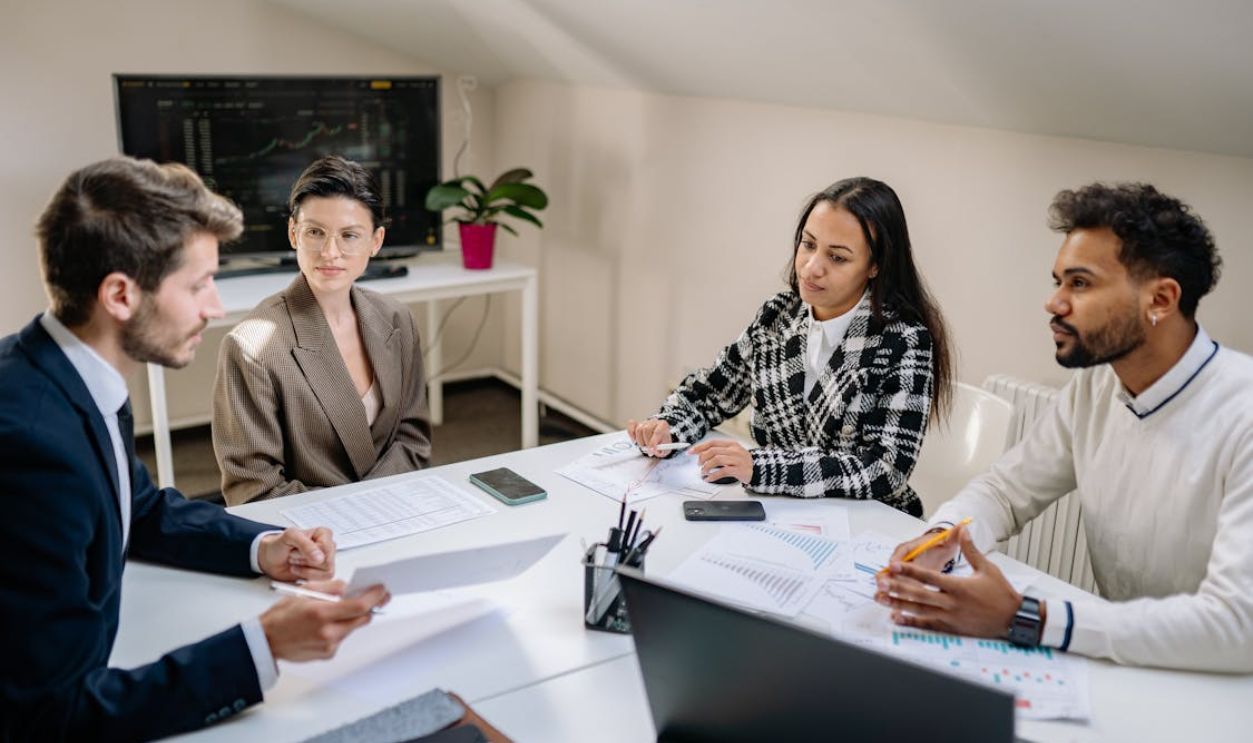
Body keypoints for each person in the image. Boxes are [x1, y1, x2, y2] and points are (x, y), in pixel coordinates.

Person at [0, 157, 391, 741]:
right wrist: (264, 644)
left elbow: (141, 510)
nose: (215, 308)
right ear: (120, 295)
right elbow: (53, 716)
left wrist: (264, 546)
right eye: (199, 284)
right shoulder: (32, 447)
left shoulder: (66, 373)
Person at [876, 182, 1253, 672]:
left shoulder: (1241, 414)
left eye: (1079, 284)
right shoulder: (1097, 386)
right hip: (1129, 664)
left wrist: (1026, 617)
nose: (1053, 303)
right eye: (1058, 281)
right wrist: (942, 538)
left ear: (1160, 299)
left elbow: (1236, 625)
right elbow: (1005, 490)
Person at [628, 177, 952, 516]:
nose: (812, 268)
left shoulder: (905, 341)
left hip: (870, 523)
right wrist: (667, 427)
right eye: (808, 244)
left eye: (838, 258)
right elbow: (709, 394)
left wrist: (762, 467)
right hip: (778, 512)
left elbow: (884, 468)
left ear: (875, 266)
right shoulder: (778, 315)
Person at [213, 155, 432, 505]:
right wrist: (356, 511)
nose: (330, 252)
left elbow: (413, 440)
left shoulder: (397, 320)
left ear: (375, 242)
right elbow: (254, 488)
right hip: (310, 535)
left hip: (396, 506)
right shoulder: (252, 347)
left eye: (349, 235)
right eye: (315, 232)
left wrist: (379, 505)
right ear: (293, 233)